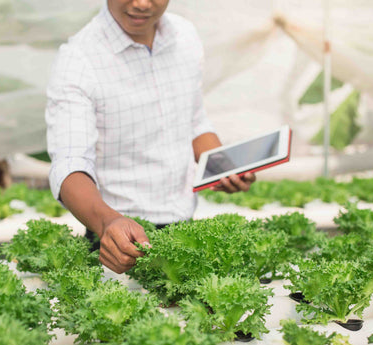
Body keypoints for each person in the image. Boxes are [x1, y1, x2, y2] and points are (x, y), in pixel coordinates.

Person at [46, 0, 256, 274]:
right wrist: (107, 222)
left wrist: (222, 165)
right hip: (119, 239)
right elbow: (70, 163)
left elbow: (193, 121)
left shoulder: (184, 36)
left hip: (184, 226)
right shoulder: (78, 60)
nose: (142, 3)